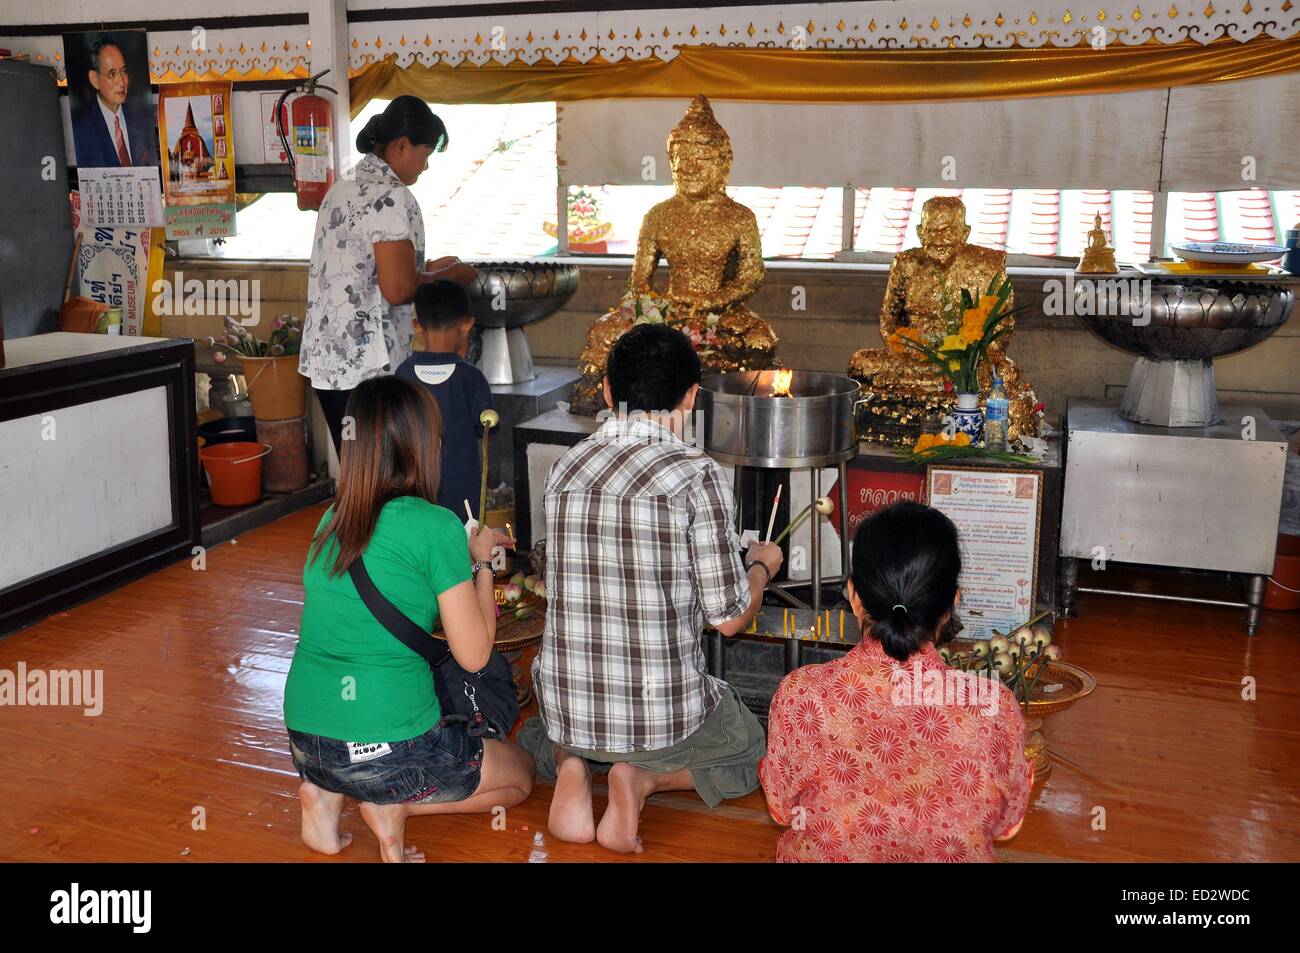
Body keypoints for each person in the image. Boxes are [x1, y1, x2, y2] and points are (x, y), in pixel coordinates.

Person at [517, 322, 783, 853]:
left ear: (610, 393)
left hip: (569, 707)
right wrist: (762, 568)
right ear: (690, 397)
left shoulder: (566, 466)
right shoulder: (696, 474)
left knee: (534, 735)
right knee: (751, 747)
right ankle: (642, 780)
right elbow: (728, 620)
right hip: (661, 716)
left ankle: (572, 764)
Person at [283, 375, 533, 863]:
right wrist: (479, 561)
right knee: (521, 776)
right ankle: (391, 804)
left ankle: (324, 797)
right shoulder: (436, 525)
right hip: (387, 749)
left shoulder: (330, 519)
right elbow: (476, 653)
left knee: (358, 735)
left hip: (306, 738)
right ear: (421, 446)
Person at [760, 501, 1033, 862]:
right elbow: (1005, 824)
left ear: (854, 597)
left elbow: (781, 811)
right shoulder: (992, 705)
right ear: (952, 603)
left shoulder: (802, 695)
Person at [300, 95, 477, 454]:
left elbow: (368, 273)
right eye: (424, 154)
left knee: (357, 475)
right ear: (401, 146)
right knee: (384, 476)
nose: (425, 166)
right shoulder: (391, 197)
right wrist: (451, 277)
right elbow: (397, 289)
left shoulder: (344, 186)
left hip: (328, 362)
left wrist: (432, 270)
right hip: (369, 367)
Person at [394, 280, 493, 517]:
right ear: (467, 324)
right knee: (460, 545)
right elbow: (486, 427)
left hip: (412, 489)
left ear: (417, 326)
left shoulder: (402, 374)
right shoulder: (472, 377)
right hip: (463, 491)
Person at [70, 37, 154, 168]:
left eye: (124, 71)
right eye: (112, 74)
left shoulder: (141, 120)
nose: (121, 82)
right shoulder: (82, 129)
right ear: (94, 79)